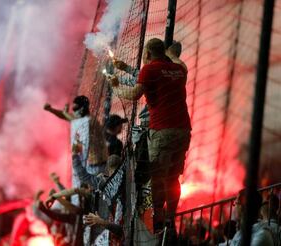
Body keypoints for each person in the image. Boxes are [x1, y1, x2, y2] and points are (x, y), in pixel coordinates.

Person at [107, 38, 191, 233]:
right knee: (172, 177)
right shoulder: (178, 71)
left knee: (157, 177)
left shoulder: (150, 69)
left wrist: (115, 86)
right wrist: (170, 55)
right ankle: (170, 218)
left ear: (147, 54)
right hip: (183, 130)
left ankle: (158, 221)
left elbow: (134, 94)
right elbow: (180, 64)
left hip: (161, 131)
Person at [44, 95, 108, 204]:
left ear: (83, 108)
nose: (74, 112)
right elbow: (68, 117)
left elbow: (68, 117)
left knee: (101, 198)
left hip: (98, 167)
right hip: (94, 166)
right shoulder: (83, 121)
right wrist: (52, 110)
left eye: (75, 109)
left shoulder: (88, 122)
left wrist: (54, 110)